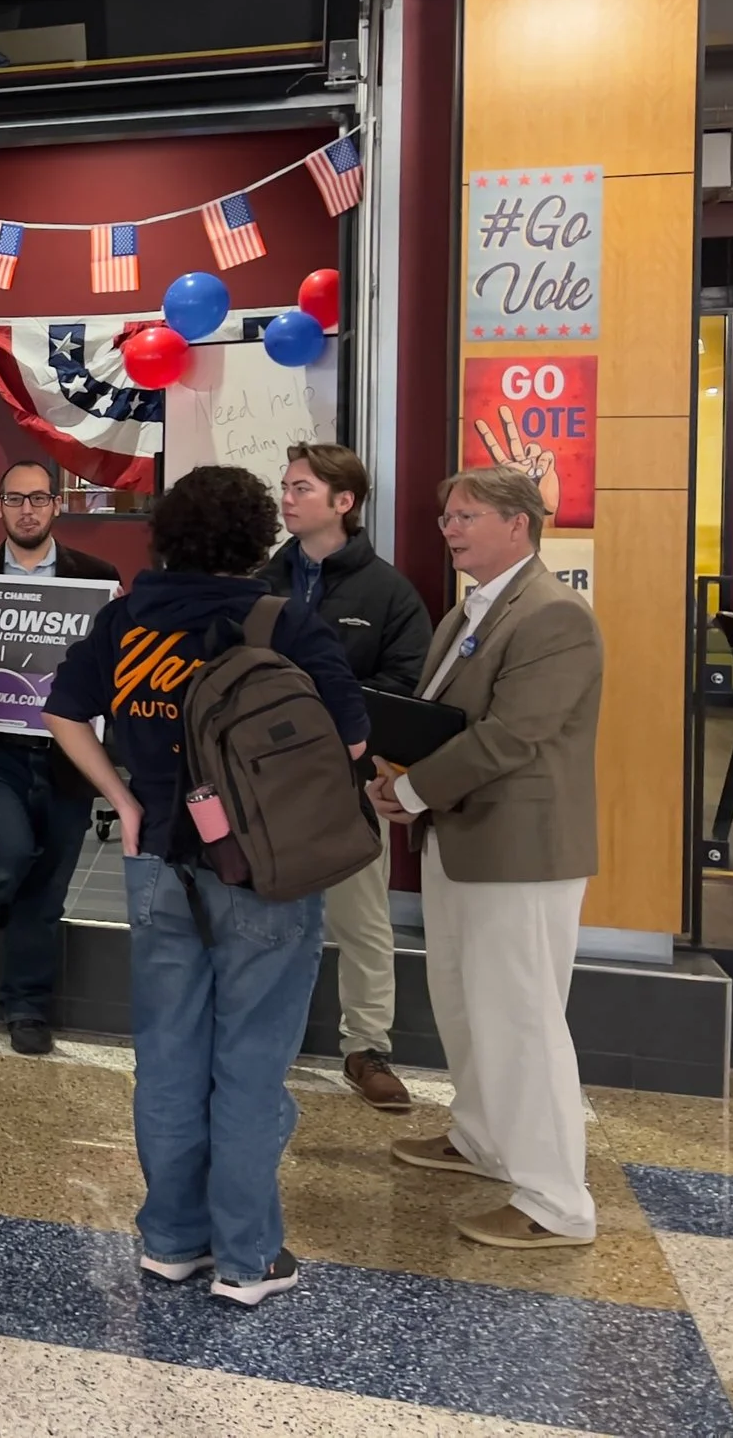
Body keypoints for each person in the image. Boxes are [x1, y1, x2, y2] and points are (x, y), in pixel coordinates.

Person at [44, 465, 368, 1308]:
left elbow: (63, 711)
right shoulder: (280, 622)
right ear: (255, 538)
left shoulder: (126, 618)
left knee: (168, 1055)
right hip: (263, 868)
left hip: (156, 860)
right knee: (251, 1062)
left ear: (168, 534)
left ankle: (171, 1240)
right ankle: (247, 1256)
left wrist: (124, 799)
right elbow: (351, 741)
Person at [367, 464, 604, 1253]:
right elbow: (441, 719)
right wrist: (400, 775)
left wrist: (414, 790)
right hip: (461, 836)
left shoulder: (554, 615)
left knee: (522, 1019)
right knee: (466, 1002)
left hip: (519, 851)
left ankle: (556, 1200)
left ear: (518, 522)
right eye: (447, 516)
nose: (449, 528)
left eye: (465, 515)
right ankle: (482, 1137)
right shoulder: (469, 609)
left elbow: (512, 736)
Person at [262, 442, 434, 1113]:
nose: (287, 498)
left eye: (301, 488)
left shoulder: (388, 592)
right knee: (266, 914)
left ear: (344, 502)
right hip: (266, 782)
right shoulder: (262, 581)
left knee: (362, 919)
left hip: (350, 781)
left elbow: (405, 682)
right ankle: (261, 1041)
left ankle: (366, 1048)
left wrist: (327, 721)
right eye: (285, 486)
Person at [0, 459, 121, 1055]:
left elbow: (112, 671)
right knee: (10, 857)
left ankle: (26, 1008)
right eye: (15, 499)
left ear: (56, 505)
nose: (27, 510)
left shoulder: (97, 579)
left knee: (46, 892)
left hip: (68, 756)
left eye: (38, 498)